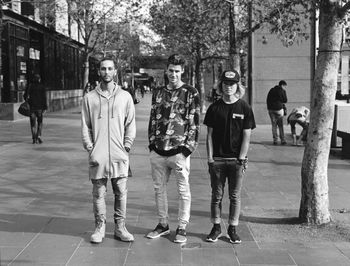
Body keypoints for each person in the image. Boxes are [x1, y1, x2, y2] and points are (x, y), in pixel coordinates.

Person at [81, 57, 136, 244]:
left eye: (110, 68)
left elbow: (130, 124)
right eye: (103, 68)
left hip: (119, 154)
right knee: (98, 192)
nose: (106, 72)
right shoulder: (89, 98)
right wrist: (90, 148)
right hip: (99, 155)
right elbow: (85, 126)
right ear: (99, 71)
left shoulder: (125, 97)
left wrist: (126, 146)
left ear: (115, 71)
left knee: (121, 191)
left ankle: (120, 228)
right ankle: (100, 227)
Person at [146, 54, 201, 243]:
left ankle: (182, 227)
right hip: (158, 151)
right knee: (158, 189)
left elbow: (194, 123)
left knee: (183, 190)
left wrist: (187, 149)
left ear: (182, 71)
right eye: (170, 70)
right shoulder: (158, 91)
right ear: (166, 70)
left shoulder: (191, 92)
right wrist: (152, 144)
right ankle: (162, 224)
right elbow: (153, 118)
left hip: (179, 152)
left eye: (177, 71)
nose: (173, 74)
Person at [203, 70, 256, 244]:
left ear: (238, 86)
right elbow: (209, 135)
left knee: (234, 196)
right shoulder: (214, 108)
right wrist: (210, 158)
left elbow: (247, 136)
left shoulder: (244, 108)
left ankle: (233, 228)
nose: (228, 87)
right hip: (217, 160)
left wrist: (242, 158)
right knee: (216, 196)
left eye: (232, 84)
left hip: (236, 161)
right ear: (221, 86)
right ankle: (216, 227)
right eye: (225, 83)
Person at [23, 74, 47, 144]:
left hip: (32, 107)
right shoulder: (42, 87)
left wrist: (29, 101)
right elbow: (44, 98)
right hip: (40, 108)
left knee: (33, 123)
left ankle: (34, 138)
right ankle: (38, 135)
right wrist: (45, 107)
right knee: (40, 122)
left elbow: (25, 96)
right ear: (39, 79)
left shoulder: (30, 86)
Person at [266, 80, 288, 145]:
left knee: (274, 125)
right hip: (279, 109)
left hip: (271, 110)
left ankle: (275, 140)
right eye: (284, 86)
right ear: (282, 85)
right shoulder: (282, 91)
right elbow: (285, 100)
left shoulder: (271, 90)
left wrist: (269, 107)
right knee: (280, 125)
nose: (285, 88)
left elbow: (267, 99)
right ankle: (283, 140)